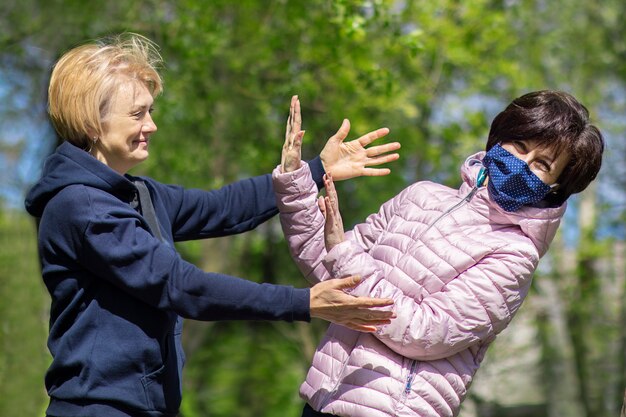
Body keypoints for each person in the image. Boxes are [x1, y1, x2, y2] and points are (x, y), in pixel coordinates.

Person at [24, 33, 402, 417]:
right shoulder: (81, 207)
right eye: (137, 114)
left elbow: (222, 208)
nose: (152, 125)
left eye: (151, 111)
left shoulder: (139, 195)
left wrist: (313, 172)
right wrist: (304, 302)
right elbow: (179, 285)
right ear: (92, 124)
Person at [272, 90, 604, 417]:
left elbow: (425, 332)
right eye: (519, 145)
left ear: (556, 188)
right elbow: (331, 272)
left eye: (542, 164)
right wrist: (295, 181)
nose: (521, 164)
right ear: (498, 138)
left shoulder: (515, 254)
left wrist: (343, 252)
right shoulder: (420, 195)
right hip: (323, 397)